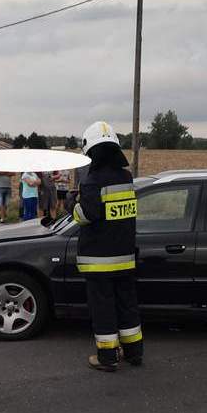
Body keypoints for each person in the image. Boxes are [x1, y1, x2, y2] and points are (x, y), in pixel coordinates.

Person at [73, 121, 142, 372]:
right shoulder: (126, 177)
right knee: (127, 306)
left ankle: (108, 358)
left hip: (99, 260)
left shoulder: (92, 182)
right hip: (125, 256)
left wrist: (75, 204)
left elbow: (86, 216)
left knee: (103, 309)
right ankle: (134, 352)